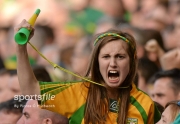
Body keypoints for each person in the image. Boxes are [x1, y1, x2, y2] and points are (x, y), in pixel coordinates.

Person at [15, 19, 161, 124]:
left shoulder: (145, 104)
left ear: (132, 62)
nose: (113, 63)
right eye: (105, 57)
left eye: (120, 57)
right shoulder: (78, 92)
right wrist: (21, 48)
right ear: (96, 63)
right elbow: (31, 90)